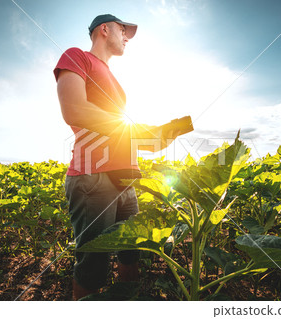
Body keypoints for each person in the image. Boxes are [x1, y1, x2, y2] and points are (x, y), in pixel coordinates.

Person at [53, 14, 182, 300]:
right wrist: (137, 130)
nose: (126, 38)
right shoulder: (77, 57)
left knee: (131, 252)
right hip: (93, 178)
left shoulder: (112, 77)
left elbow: (123, 132)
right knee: (94, 265)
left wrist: (160, 136)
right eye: (123, 31)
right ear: (104, 30)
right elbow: (74, 109)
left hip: (125, 179)